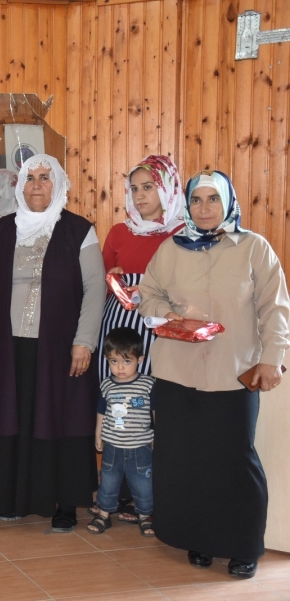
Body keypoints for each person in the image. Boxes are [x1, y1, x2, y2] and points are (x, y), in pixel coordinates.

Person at [139, 170, 290, 579]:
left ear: (228, 204)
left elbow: (274, 308)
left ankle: (243, 546)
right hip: (176, 373)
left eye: (213, 200)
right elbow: (147, 294)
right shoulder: (170, 249)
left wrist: (272, 358)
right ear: (186, 205)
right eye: (196, 201)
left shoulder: (254, 248)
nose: (204, 209)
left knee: (234, 460)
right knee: (184, 460)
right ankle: (198, 539)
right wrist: (164, 314)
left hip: (234, 373)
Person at [0, 154, 106, 532]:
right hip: (8, 346)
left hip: (61, 347)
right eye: (30, 177)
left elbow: (95, 289)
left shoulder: (79, 230)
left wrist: (84, 342)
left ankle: (64, 503)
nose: (36, 184)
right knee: (14, 417)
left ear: (59, 184)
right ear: (19, 186)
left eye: (45, 177)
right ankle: (13, 498)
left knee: (60, 419)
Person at [91, 154, 184, 524]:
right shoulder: (118, 231)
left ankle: (154, 489)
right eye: (135, 189)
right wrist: (112, 274)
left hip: (158, 324)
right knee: (119, 400)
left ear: (167, 188)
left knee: (153, 403)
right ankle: (119, 492)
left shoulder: (181, 233)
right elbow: (102, 277)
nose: (141, 195)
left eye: (149, 187)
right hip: (118, 321)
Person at [87, 327, 154, 537]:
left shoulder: (148, 384)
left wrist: (158, 438)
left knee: (143, 484)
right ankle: (103, 515)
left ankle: (145, 517)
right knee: (108, 482)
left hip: (140, 446)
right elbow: (101, 412)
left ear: (140, 359)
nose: (120, 368)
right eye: (114, 362)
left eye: (127, 361)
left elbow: (154, 413)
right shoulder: (107, 385)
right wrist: (98, 435)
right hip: (113, 446)